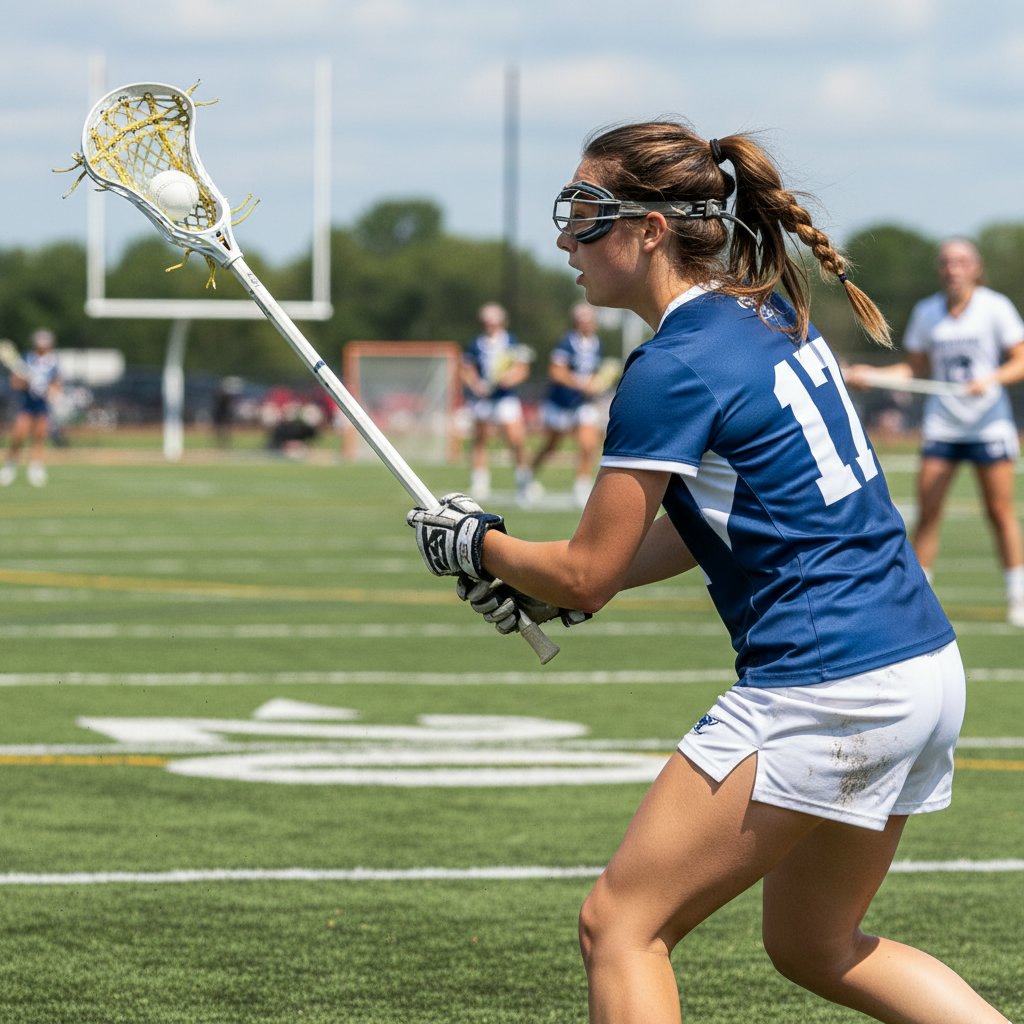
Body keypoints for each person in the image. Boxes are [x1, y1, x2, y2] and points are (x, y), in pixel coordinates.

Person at [408, 121, 1012, 1023]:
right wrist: (535, 576)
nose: (566, 239)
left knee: (619, 926)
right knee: (815, 944)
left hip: (828, 681)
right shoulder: (763, 311)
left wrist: (478, 544)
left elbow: (584, 573)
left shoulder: (672, 365)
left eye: (586, 212)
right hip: (923, 666)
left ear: (650, 229)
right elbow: (714, 527)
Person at [845, 237, 1024, 627]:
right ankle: (917, 596)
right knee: (928, 511)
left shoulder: (996, 308)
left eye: (961, 261)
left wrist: (990, 380)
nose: (952, 268)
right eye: (945, 262)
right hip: (943, 425)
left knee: (1000, 512)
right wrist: (872, 375)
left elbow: (1021, 360)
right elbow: (915, 369)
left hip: (988, 424)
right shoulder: (928, 312)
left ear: (975, 268)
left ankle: (1018, 595)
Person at [524, 301, 608, 507]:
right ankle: (527, 476)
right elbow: (556, 372)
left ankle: (581, 485)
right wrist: (580, 384)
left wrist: (597, 383)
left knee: (588, 443)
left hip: (583, 404)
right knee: (551, 445)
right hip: (560, 403)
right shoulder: (566, 343)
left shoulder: (597, 343)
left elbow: (594, 372)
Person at [459, 301, 531, 501]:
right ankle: (480, 481)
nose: (490, 325)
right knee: (480, 439)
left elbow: (522, 368)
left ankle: (523, 479)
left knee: (515, 439)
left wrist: (509, 379)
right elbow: (467, 369)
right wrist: (476, 385)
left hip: (505, 398)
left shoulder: (511, 341)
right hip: (482, 399)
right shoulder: (476, 343)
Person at [1, 328, 61, 487]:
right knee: (19, 435)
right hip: (26, 404)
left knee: (40, 436)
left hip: (42, 406)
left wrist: (50, 392)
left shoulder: (53, 362)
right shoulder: (26, 358)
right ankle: (9, 467)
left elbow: (56, 385)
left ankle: (36, 468)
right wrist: (28, 384)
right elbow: (14, 382)